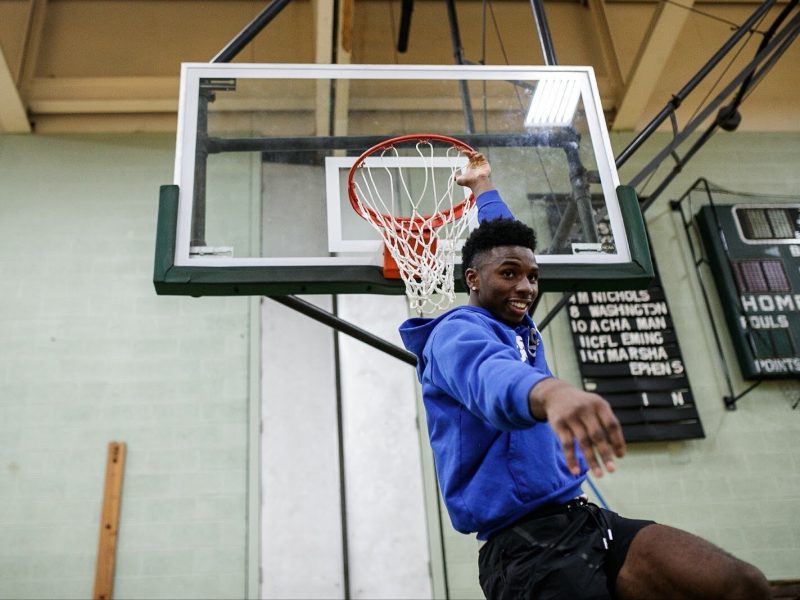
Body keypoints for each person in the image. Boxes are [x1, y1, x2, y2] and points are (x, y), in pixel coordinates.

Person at [398, 152, 771, 599]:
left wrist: (482, 189)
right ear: (473, 279)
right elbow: (489, 378)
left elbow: (504, 240)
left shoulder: (518, 324)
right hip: (523, 550)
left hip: (586, 521)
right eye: (510, 275)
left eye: (533, 277)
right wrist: (551, 392)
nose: (526, 287)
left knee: (741, 585)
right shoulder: (455, 333)